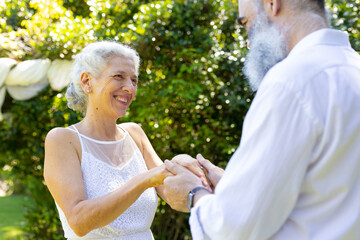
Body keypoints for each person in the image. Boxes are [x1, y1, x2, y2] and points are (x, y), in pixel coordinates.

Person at [162, 0, 360, 239]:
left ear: (272, 4)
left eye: (247, 24)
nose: (248, 42)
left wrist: (193, 194)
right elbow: (324, 190)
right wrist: (231, 185)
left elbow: (234, 229)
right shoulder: (351, 68)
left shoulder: (291, 81)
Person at [43, 41, 206, 239]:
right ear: (87, 82)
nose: (129, 88)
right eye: (119, 77)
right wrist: (144, 180)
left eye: (134, 81)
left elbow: (172, 192)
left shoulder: (135, 134)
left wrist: (182, 163)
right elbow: (79, 221)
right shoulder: (63, 140)